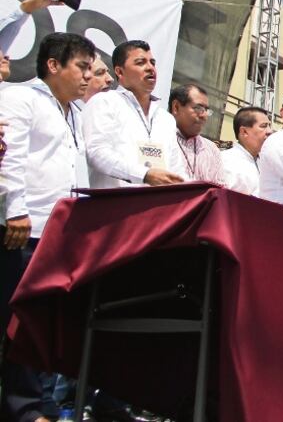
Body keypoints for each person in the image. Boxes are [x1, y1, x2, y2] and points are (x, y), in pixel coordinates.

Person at [0, 32, 94, 422]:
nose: (88, 76)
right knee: (13, 323)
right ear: (53, 65)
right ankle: (22, 408)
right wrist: (14, 211)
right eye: (82, 67)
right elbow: (10, 159)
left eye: (91, 69)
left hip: (56, 234)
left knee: (39, 324)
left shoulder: (74, 112)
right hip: (21, 228)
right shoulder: (21, 97)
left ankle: (38, 403)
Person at [82, 40, 185, 188]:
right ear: (119, 71)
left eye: (152, 62)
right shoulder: (104, 102)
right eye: (140, 62)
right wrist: (144, 175)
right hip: (116, 206)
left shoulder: (166, 118)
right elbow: (97, 153)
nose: (150, 68)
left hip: (158, 207)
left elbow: (176, 169)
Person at [169, 83, 225, 185]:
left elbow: (220, 189)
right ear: (176, 107)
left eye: (206, 110)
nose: (204, 115)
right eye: (198, 108)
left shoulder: (212, 149)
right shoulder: (159, 138)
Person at [220, 106, 272, 196]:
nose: (269, 131)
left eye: (269, 126)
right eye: (263, 126)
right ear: (244, 132)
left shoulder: (267, 163)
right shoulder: (226, 161)